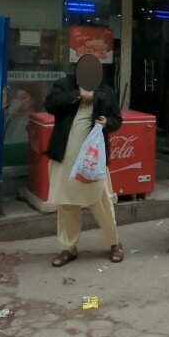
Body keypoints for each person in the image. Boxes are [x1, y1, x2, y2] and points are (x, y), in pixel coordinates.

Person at [45, 54, 123, 267]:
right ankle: (68, 248)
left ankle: (114, 243)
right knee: (67, 204)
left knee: (102, 201)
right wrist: (78, 96)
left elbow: (118, 120)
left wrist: (108, 122)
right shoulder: (64, 85)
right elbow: (50, 104)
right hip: (65, 158)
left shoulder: (106, 91)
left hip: (93, 160)